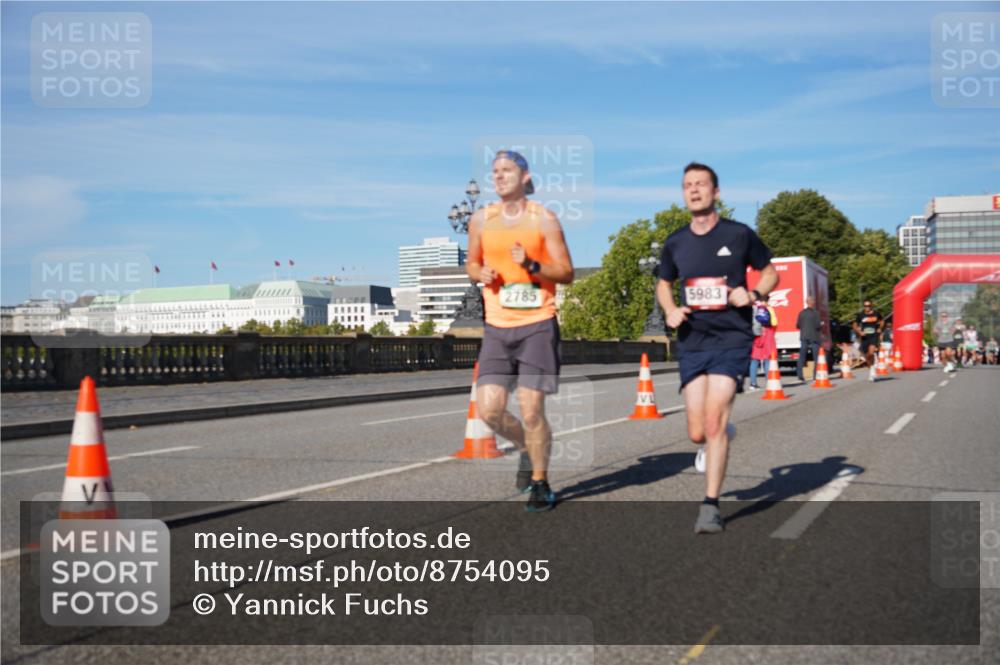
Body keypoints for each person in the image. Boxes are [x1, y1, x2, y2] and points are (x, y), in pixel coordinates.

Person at [657, 162, 777, 534]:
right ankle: (717, 437)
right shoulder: (675, 241)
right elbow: (663, 283)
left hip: (731, 338)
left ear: (716, 192)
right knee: (697, 431)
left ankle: (710, 505)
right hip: (693, 340)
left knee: (713, 420)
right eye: (687, 185)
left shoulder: (739, 234)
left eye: (701, 184)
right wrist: (671, 309)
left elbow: (771, 271)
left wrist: (753, 293)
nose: (694, 190)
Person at [466, 150, 574, 513]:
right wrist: (477, 273)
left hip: (537, 326)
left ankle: (541, 483)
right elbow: (472, 261)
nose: (499, 176)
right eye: (494, 171)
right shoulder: (480, 219)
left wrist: (530, 264)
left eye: (507, 170)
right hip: (496, 328)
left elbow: (566, 272)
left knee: (531, 411)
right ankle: (528, 447)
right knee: (489, 411)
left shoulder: (544, 219)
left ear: (525, 177)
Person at [747, 298, 777, 391]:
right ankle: (769, 381)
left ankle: (753, 383)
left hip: (756, 335)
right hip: (767, 334)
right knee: (767, 358)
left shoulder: (753, 308)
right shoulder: (767, 309)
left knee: (754, 359)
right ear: (766, 300)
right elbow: (774, 322)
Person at [795, 295, 822, 382]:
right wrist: (821, 324)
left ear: (806, 302)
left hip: (804, 336)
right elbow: (818, 326)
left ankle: (800, 375)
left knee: (802, 356)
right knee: (816, 357)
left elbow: (798, 325)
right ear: (812, 302)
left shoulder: (801, 313)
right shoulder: (816, 313)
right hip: (814, 337)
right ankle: (815, 375)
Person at [852, 300, 884, 370]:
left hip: (874, 335)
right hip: (864, 336)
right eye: (866, 306)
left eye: (869, 306)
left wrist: (879, 328)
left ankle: (872, 367)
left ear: (871, 306)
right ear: (864, 307)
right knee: (867, 355)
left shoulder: (876, 314)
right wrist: (859, 331)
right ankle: (870, 366)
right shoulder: (860, 315)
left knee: (871, 353)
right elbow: (854, 325)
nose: (867, 307)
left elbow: (882, 321)